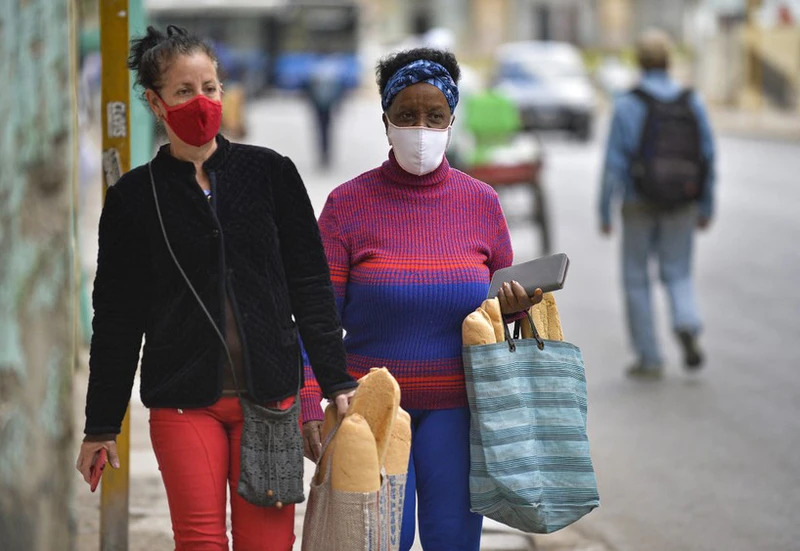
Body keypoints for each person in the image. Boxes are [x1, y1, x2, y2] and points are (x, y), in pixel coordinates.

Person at [75, 25, 357, 551]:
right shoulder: (134, 198)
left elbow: (310, 286)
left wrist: (336, 381)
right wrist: (100, 425)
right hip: (184, 403)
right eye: (184, 91)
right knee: (200, 542)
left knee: (267, 545)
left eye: (209, 87)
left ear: (223, 91)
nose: (201, 101)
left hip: (271, 400)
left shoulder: (271, 173)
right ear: (155, 103)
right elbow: (115, 318)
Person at [299, 47, 541, 551]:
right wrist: (307, 398)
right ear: (386, 120)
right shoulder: (347, 205)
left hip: (459, 410)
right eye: (406, 115)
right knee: (381, 539)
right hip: (370, 413)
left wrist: (517, 305)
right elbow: (315, 317)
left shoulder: (481, 202)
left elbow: (493, 311)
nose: (421, 128)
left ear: (453, 119)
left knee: (453, 540)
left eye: (435, 116)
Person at [599, 29, 716, 378]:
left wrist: (604, 211)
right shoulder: (691, 100)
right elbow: (707, 156)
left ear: (639, 61)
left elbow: (613, 165)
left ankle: (649, 358)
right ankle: (687, 322)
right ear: (668, 60)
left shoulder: (626, 102)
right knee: (678, 271)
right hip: (682, 201)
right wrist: (706, 205)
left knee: (636, 279)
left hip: (638, 201)